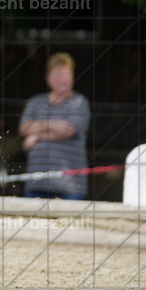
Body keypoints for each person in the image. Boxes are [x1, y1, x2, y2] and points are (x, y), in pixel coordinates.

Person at [19, 52, 91, 200]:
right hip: (36, 184)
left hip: (70, 187)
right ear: (48, 78)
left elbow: (68, 130)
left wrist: (36, 135)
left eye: (66, 74)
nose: (63, 79)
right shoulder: (35, 102)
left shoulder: (79, 102)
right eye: (58, 75)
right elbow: (24, 127)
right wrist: (52, 124)